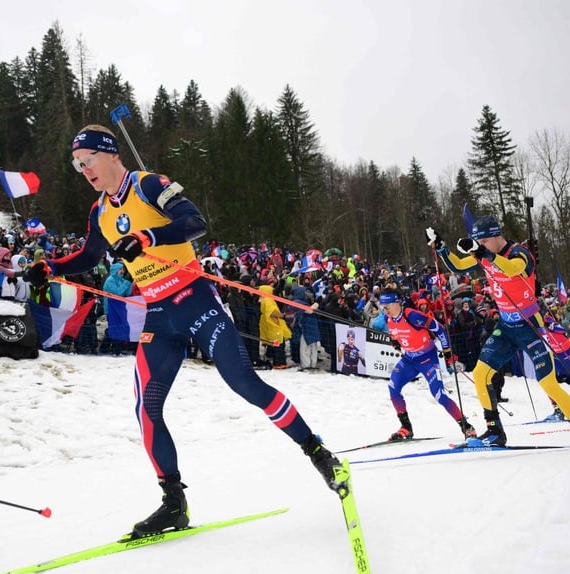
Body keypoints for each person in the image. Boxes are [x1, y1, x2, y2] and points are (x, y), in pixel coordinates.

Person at [23, 124, 344, 538]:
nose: (84, 169)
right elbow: (90, 254)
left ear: (112, 155)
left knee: (245, 382)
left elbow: (195, 222)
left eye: (89, 160)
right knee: (146, 408)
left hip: (195, 301)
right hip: (159, 315)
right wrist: (52, 267)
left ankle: (317, 452)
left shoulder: (148, 185)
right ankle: (173, 503)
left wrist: (147, 236)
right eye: (77, 164)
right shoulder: (99, 212)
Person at [426, 218, 570, 454]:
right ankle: (495, 431)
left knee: (547, 383)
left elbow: (513, 268)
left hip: (530, 326)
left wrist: (483, 252)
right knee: (480, 374)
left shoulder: (520, 253)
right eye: (479, 242)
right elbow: (457, 266)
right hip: (507, 327)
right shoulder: (484, 253)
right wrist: (441, 247)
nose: (482, 245)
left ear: (497, 236)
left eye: (485, 240)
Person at [377, 290, 477, 441]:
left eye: (388, 306)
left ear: (397, 303)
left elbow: (440, 329)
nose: (385, 310)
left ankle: (466, 426)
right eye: (383, 307)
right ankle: (406, 428)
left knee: (439, 395)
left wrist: (448, 352)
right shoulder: (387, 317)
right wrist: (395, 341)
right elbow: (394, 332)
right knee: (393, 387)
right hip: (409, 359)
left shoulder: (412, 315)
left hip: (427, 359)